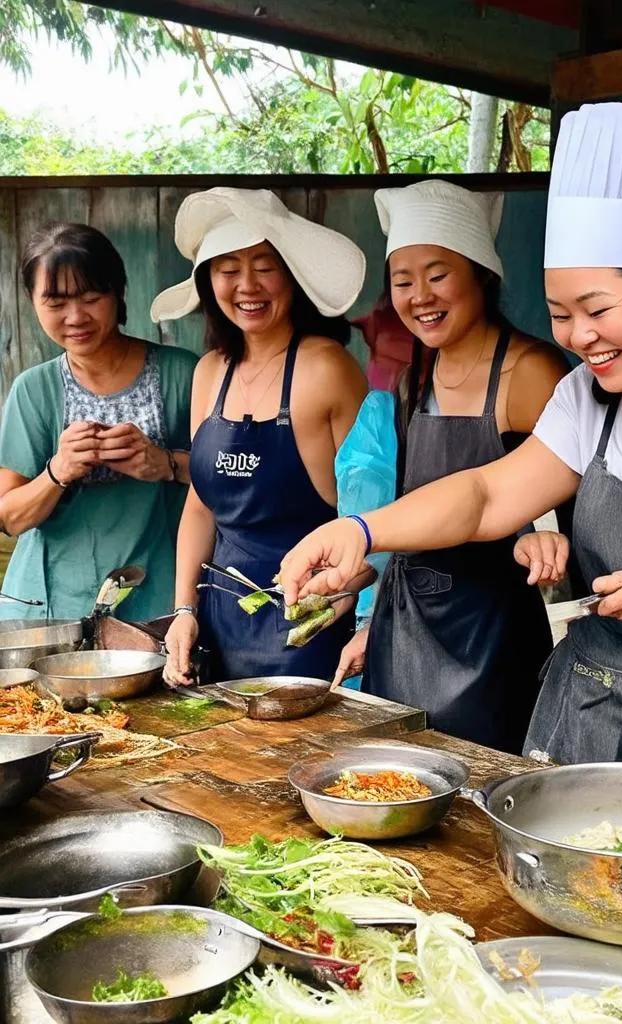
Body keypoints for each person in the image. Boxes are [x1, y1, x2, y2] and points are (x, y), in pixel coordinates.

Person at [280, 104, 622, 775]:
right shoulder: (585, 394)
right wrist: (362, 532)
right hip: (591, 710)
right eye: (561, 314)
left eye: (597, 310)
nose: (576, 337)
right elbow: (486, 494)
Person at [331, 180, 568, 752]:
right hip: (406, 628)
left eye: (438, 275)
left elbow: (574, 503)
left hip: (494, 637)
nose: (420, 296)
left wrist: (540, 538)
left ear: (481, 274)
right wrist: (369, 618)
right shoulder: (414, 378)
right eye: (403, 281)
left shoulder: (530, 370)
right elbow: (409, 518)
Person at [157, 188, 367, 684]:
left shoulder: (327, 368)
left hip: (311, 623)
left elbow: (372, 509)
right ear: (209, 282)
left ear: (292, 274)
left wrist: (356, 602)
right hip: (219, 623)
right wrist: (183, 611)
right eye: (228, 269)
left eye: (264, 266)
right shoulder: (210, 372)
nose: (247, 285)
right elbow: (200, 506)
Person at [0, 223, 195, 620]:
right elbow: (10, 516)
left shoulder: (184, 374)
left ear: (118, 291)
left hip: (161, 602)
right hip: (49, 608)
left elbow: (235, 482)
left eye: (91, 297)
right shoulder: (34, 390)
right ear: (31, 301)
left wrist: (166, 463)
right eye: (55, 303)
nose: (76, 317)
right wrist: (58, 471)